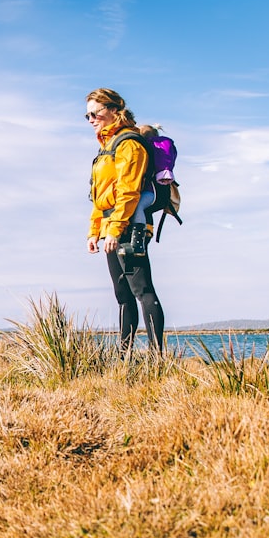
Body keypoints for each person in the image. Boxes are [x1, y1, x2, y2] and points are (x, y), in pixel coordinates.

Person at [85, 89, 166, 354]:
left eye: (95, 113)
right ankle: (123, 358)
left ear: (113, 109)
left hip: (130, 226)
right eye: (87, 115)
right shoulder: (106, 147)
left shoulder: (128, 143)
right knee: (123, 296)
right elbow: (100, 197)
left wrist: (116, 230)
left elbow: (128, 191)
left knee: (142, 290)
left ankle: (157, 358)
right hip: (111, 227)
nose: (91, 119)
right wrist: (94, 231)